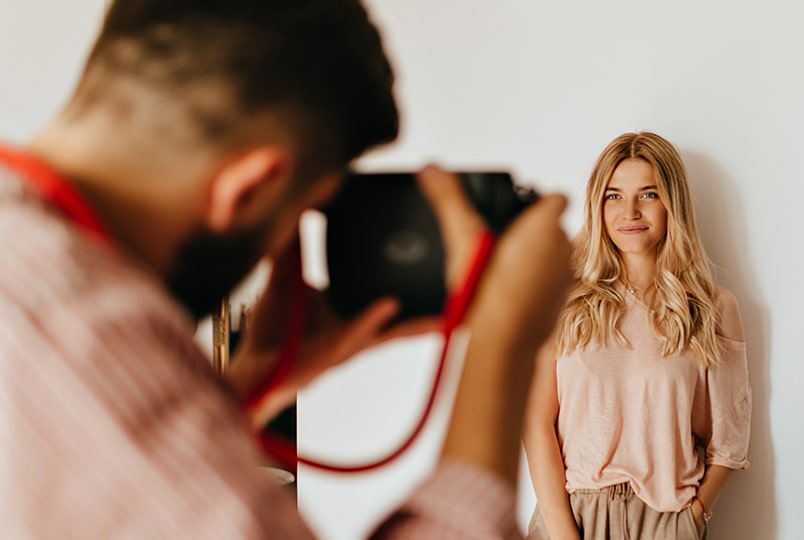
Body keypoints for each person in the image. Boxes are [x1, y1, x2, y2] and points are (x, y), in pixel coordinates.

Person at [0, 1, 571, 538]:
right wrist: (504, 340)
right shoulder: (77, 334)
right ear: (248, 189)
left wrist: (243, 390)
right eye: (299, 213)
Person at [523, 132, 751, 539]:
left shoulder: (713, 308)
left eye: (648, 194)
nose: (629, 211)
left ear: (671, 204)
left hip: (667, 520)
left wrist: (693, 517)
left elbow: (730, 441)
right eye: (613, 196)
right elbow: (536, 422)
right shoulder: (562, 300)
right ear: (598, 204)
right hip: (573, 516)